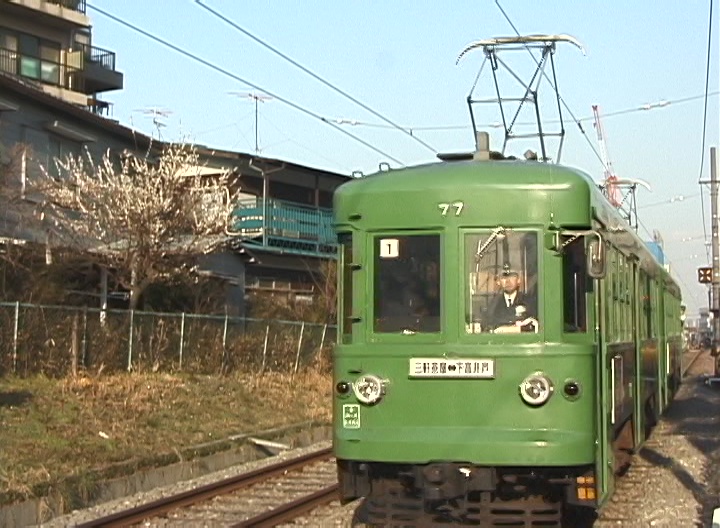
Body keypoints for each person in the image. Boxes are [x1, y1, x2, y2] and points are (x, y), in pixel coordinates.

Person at [485, 267, 538, 333]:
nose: (508, 281)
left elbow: (535, 326)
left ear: (518, 280)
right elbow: (488, 326)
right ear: (498, 282)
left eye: (512, 277)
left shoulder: (529, 301)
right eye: (504, 277)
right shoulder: (493, 304)